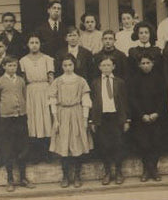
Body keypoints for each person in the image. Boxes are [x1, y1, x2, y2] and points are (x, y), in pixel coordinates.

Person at [48, 53, 92, 188]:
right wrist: (55, 119)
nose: (68, 68)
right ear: (61, 66)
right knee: (64, 145)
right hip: (62, 114)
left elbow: (85, 101)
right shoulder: (57, 81)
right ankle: (66, 176)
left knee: (77, 143)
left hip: (77, 113)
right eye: (65, 65)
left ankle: (77, 176)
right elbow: (53, 101)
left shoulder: (81, 81)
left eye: (70, 65)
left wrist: (85, 119)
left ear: (74, 65)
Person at [88, 54, 129, 185]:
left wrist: (126, 120)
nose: (106, 67)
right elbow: (92, 103)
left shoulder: (119, 82)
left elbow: (124, 102)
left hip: (116, 117)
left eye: (109, 65)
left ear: (113, 67)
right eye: (103, 65)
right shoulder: (95, 83)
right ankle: (107, 172)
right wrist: (92, 121)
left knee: (118, 144)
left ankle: (118, 171)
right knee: (104, 146)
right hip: (102, 118)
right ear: (99, 67)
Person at [0, 57, 29, 192]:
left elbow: (24, 95)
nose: (13, 68)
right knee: (8, 147)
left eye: (14, 65)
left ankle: (23, 178)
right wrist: (4, 110)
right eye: (10, 66)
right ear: (4, 67)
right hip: (6, 119)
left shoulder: (21, 80)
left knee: (22, 146)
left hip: (21, 117)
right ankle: (10, 179)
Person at [126, 53, 167, 182]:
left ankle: (154, 169)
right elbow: (132, 99)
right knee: (143, 144)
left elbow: (163, 98)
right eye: (143, 63)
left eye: (148, 63)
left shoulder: (160, 78)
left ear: (153, 64)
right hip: (141, 118)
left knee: (156, 142)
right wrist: (142, 114)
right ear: (139, 65)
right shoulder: (134, 79)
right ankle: (146, 169)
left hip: (156, 117)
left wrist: (157, 113)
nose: (145, 65)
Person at [19, 34, 57, 157]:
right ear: (28, 45)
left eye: (36, 42)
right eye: (31, 42)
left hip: (45, 89)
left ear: (40, 44)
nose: (34, 45)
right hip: (30, 91)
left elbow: (51, 78)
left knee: (46, 118)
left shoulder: (47, 59)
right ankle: (36, 153)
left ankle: (48, 152)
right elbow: (23, 80)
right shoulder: (23, 61)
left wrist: (52, 94)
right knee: (34, 119)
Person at [126, 22, 162, 86]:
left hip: (154, 84)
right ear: (137, 34)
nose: (144, 35)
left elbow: (159, 71)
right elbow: (130, 72)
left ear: (150, 34)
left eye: (146, 32)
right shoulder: (132, 52)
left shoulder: (156, 51)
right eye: (141, 33)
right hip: (137, 84)